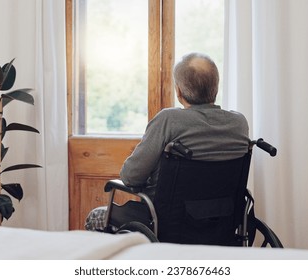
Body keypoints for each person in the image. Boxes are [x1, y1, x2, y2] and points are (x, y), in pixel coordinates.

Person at [85, 52, 250, 231]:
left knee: (96, 216)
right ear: (216, 88)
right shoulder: (238, 123)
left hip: (166, 223)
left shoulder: (169, 120)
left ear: (178, 91)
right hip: (220, 224)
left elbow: (130, 176)